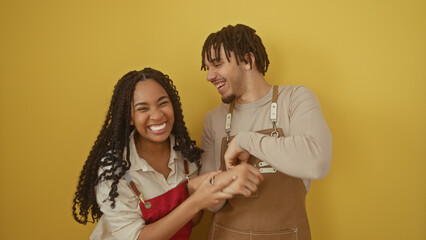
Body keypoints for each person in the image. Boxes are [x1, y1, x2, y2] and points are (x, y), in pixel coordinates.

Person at [72, 67, 262, 240]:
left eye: (162, 103)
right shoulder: (113, 171)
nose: (156, 115)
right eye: (143, 108)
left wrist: (196, 188)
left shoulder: (186, 155)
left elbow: (192, 221)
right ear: (130, 117)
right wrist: (197, 200)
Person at [200, 24, 332, 240]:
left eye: (217, 64)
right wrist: (229, 179)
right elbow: (210, 205)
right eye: (207, 68)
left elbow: (317, 161)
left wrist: (245, 141)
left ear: (247, 60)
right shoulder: (213, 118)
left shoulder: (295, 100)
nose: (209, 76)